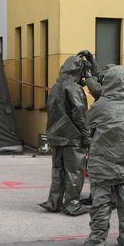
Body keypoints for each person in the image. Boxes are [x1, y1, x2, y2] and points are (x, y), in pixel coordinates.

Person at [83, 65, 124, 246]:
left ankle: (97, 240)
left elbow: (86, 124)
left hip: (103, 163)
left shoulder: (101, 105)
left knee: (101, 203)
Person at [40, 54, 92, 216]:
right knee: (74, 171)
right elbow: (79, 114)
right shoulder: (73, 88)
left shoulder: (55, 87)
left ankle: (54, 201)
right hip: (72, 136)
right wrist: (87, 136)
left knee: (58, 169)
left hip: (56, 135)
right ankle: (72, 204)